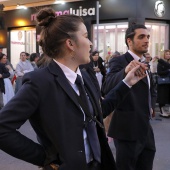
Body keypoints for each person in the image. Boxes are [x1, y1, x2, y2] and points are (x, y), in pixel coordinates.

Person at [0, 8, 147, 170]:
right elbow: (3, 129)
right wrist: (46, 158)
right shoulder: (40, 82)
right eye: (85, 36)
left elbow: (98, 112)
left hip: (97, 164)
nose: (90, 43)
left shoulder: (84, 76)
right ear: (70, 43)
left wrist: (127, 83)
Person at [102, 24, 157, 170]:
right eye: (141, 37)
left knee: (146, 164)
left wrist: (151, 105)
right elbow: (107, 87)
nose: (146, 40)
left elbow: (152, 87)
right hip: (127, 128)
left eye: (148, 37)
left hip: (146, 128)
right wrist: (125, 72)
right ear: (129, 41)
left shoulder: (145, 61)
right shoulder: (119, 61)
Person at [157, 50, 170, 117]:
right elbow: (159, 72)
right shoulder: (161, 63)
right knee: (162, 97)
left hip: (168, 83)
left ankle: (167, 111)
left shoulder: (167, 63)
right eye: (167, 54)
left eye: (169, 54)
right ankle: (162, 111)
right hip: (163, 83)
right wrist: (168, 71)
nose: (168, 55)